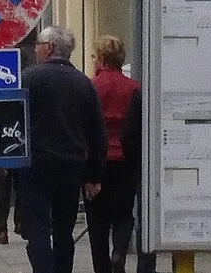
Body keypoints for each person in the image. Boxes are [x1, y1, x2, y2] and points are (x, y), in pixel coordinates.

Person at [20, 25, 106, 273]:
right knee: (63, 230)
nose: (36, 49)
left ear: (49, 48)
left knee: (38, 229)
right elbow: (96, 132)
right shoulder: (84, 84)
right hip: (70, 166)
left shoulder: (28, 79)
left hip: (34, 165)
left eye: (38, 45)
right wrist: (94, 175)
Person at [86, 36, 143, 273]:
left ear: (100, 58)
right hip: (126, 161)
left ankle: (102, 268)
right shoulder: (134, 88)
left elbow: (87, 125)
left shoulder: (91, 87)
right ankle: (119, 251)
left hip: (97, 161)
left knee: (97, 221)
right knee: (123, 214)